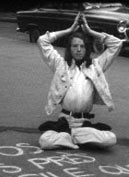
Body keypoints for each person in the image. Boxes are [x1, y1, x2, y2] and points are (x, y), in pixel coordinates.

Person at [37, 13, 123, 150]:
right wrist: (69, 30)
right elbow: (43, 41)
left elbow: (116, 44)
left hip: (84, 122)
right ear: (69, 49)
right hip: (65, 120)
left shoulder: (96, 66)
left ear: (87, 48)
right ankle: (74, 137)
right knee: (45, 141)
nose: (78, 50)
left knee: (110, 139)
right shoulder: (60, 65)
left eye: (82, 46)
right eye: (74, 46)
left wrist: (90, 32)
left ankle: (71, 137)